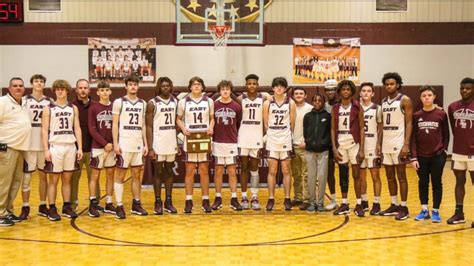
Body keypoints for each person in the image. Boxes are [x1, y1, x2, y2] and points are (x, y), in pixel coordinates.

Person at [42, 79, 83, 221]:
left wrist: (80, 148)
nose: (60, 91)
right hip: (55, 146)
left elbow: (77, 128)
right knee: (53, 179)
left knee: (67, 179)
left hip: (70, 146)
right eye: (57, 89)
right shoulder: (48, 108)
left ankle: (66, 206)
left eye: (62, 89)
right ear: (54, 91)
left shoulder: (73, 108)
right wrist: (46, 149)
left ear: (67, 91)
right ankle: (52, 208)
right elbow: (44, 130)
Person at [411, 86, 449, 223]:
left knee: (437, 183)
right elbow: (413, 138)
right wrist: (414, 157)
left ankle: (436, 211)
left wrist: (443, 151)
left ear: (434, 97)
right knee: (423, 183)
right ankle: (424, 209)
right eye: (424, 95)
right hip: (421, 157)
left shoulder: (441, 114)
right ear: (420, 98)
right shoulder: (416, 116)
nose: (427, 97)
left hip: (437, 155)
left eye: (429, 95)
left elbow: (446, 135)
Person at [176, 76, 215, 214]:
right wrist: (182, 128)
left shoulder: (209, 101)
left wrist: (211, 127)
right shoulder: (183, 102)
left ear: (203, 87)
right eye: (194, 84)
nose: (197, 86)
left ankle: (205, 200)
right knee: (190, 170)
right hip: (190, 137)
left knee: (204, 169)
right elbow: (178, 119)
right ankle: (188, 200)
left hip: (204, 137)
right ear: (190, 87)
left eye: (199, 84)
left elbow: (212, 118)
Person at [112, 76, 148, 219]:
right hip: (124, 144)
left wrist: (145, 143)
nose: (133, 87)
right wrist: (115, 143)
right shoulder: (119, 102)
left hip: (138, 144)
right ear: (125, 86)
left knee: (136, 175)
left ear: (138, 87)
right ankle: (119, 205)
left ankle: (136, 204)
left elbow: (143, 125)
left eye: (135, 84)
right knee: (120, 175)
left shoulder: (143, 103)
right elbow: (115, 124)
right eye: (130, 84)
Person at [379, 72, 413, 220]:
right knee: (389, 176)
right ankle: (394, 204)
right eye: (386, 84)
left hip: (399, 142)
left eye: (392, 84)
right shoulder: (383, 101)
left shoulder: (405, 100)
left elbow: (409, 123)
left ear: (398, 85)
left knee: (401, 176)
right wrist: (379, 144)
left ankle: (404, 207)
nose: (389, 86)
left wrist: (406, 144)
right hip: (386, 142)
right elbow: (381, 125)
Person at [331, 80, 365, 217]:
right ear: (339, 92)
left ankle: (359, 204)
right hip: (341, 144)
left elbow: (362, 128)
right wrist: (334, 148)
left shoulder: (357, 106)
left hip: (354, 144)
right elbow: (333, 129)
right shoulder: (335, 108)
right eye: (343, 89)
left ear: (351, 91)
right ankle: (344, 203)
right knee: (343, 175)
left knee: (356, 175)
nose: (345, 91)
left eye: (348, 89)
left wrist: (362, 149)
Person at [20, 74, 52, 220]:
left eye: (41, 81)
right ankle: (25, 206)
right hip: (28, 144)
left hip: (43, 145)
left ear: (44, 84)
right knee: (26, 178)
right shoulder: (24, 100)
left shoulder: (49, 101)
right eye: (36, 81)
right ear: (31, 84)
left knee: (43, 177)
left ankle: (42, 205)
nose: (39, 83)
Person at [0, 77, 32, 226]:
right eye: (15, 86)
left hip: (20, 149)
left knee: (15, 182)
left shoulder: (23, 104)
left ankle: (8, 211)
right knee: (3, 183)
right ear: (9, 88)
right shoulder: (3, 102)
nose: (18, 88)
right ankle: (0, 214)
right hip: (6, 149)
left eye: (20, 86)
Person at [146, 77, 178, 215]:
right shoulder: (152, 103)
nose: (165, 88)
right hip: (158, 142)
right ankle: (158, 201)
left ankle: (168, 202)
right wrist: (151, 146)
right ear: (159, 87)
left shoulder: (176, 102)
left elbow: (178, 122)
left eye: (167, 86)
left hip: (171, 141)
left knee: (169, 171)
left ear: (171, 87)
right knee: (158, 172)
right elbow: (148, 126)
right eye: (163, 86)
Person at [262, 77, 296, 211]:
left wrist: (287, 134)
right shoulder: (267, 103)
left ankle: (287, 198)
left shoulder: (290, 103)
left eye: (282, 86)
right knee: (272, 170)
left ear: (285, 88)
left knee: (286, 170)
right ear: (273, 88)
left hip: (285, 138)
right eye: (277, 86)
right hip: (272, 138)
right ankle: (271, 198)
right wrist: (271, 133)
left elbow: (292, 123)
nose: (279, 88)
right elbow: (265, 123)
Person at [236, 74, 267, 210]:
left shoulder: (265, 99)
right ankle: (243, 196)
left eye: (254, 83)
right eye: (249, 83)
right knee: (243, 167)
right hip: (243, 136)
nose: (252, 86)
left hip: (257, 137)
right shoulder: (240, 99)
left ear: (257, 85)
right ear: (246, 85)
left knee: (254, 167)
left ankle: (254, 196)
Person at [211, 80, 243, 211]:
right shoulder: (213, 105)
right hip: (218, 142)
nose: (225, 91)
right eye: (223, 89)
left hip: (231, 142)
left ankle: (234, 198)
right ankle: (218, 198)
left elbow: (239, 123)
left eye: (227, 89)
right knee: (218, 171)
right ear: (219, 91)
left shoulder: (237, 106)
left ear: (231, 91)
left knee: (232, 171)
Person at [446, 77, 473, 226]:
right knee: (459, 182)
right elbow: (454, 128)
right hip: (458, 152)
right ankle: (459, 213)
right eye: (462, 88)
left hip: (473, 153)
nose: (464, 91)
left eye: (468, 88)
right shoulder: (452, 107)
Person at [87, 81, 116, 217]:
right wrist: (104, 143)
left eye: (106, 90)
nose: (104, 92)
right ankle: (93, 203)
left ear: (110, 91)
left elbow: (118, 127)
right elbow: (92, 129)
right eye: (102, 90)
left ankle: (109, 203)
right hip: (99, 147)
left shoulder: (115, 107)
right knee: (95, 175)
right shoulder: (93, 108)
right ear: (97, 92)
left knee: (110, 174)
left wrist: (114, 143)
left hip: (112, 148)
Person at [71, 79, 97, 211]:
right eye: (80, 88)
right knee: (74, 178)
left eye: (85, 88)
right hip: (76, 150)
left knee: (94, 178)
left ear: (89, 90)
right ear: (76, 90)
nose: (83, 90)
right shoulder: (71, 107)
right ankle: (72, 204)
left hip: (93, 149)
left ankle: (95, 203)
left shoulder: (96, 106)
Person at [303, 93, 331, 212]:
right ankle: (312, 202)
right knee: (311, 177)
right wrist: (309, 142)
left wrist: (324, 143)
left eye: (320, 100)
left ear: (323, 102)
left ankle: (320, 202)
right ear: (312, 102)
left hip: (323, 151)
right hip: (310, 151)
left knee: (322, 177)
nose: (317, 102)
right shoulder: (308, 116)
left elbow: (330, 132)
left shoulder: (328, 116)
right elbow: (305, 132)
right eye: (315, 100)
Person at [359, 82, 383, 215]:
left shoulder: (377, 108)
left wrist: (379, 143)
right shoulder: (356, 108)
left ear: (373, 93)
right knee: (362, 177)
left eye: (369, 91)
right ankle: (364, 201)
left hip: (373, 146)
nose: (366, 93)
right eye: (364, 91)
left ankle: (377, 202)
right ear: (360, 93)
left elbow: (380, 127)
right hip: (360, 147)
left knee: (375, 176)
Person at [290, 87, 313, 209]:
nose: (298, 95)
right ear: (293, 96)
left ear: (305, 95)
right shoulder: (289, 107)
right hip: (292, 145)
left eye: (301, 93)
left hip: (304, 146)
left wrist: (306, 141)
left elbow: (311, 128)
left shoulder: (309, 108)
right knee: (296, 174)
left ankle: (306, 198)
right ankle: (297, 197)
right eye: (296, 93)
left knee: (306, 174)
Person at [323, 79, 338, 211]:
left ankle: (356, 200)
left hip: (344, 142)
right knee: (330, 173)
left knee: (347, 173)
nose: (330, 92)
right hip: (328, 144)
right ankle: (333, 199)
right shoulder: (323, 106)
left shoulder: (345, 104)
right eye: (328, 90)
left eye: (333, 89)